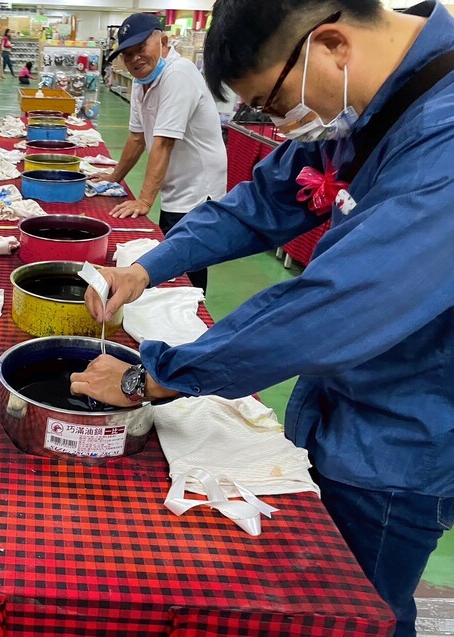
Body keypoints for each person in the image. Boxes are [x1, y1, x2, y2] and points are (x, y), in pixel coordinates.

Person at [70, 2, 454, 635]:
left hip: (400, 444)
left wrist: (153, 377)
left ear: (329, 44)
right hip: (337, 402)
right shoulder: (367, 107)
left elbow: (334, 308)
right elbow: (258, 205)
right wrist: (147, 268)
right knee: (310, 595)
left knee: (362, 611)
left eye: (273, 106)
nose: (279, 124)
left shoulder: (442, 138)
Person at [102, 13, 227, 293]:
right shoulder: (140, 81)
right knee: (171, 250)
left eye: (141, 49)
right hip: (174, 183)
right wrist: (113, 177)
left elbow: (163, 143)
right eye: (128, 54)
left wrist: (145, 200)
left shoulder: (178, 74)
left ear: (163, 41)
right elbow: (137, 138)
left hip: (196, 186)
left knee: (188, 259)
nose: (135, 59)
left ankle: (192, 317)